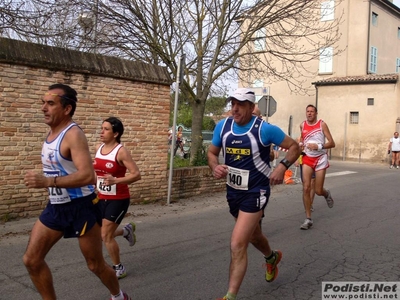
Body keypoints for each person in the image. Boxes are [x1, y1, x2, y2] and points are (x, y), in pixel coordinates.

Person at [23, 84, 131, 300]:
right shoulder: (51, 133)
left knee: (95, 265)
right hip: (56, 207)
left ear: (67, 109)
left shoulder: (73, 134)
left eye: (51, 103)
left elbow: (88, 176)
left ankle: (119, 296)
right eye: (43, 103)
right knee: (31, 260)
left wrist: (47, 181)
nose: (44, 108)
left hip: (82, 207)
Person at [207, 88, 301, 300]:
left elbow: (294, 146)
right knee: (253, 236)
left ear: (251, 107)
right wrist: (215, 166)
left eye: (240, 104)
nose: (235, 108)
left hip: (256, 191)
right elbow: (212, 152)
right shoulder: (223, 127)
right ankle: (272, 256)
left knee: (237, 243)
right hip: (233, 192)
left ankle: (229, 296)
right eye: (233, 103)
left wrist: (282, 167)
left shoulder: (265, 129)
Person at [94, 117, 141, 279]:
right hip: (100, 197)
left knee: (105, 235)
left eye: (106, 129)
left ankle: (119, 268)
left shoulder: (121, 151)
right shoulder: (98, 148)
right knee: (100, 233)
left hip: (118, 199)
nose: (102, 132)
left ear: (115, 133)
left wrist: (116, 180)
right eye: (102, 128)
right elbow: (97, 173)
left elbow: (136, 174)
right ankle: (126, 231)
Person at [299, 104, 335, 230]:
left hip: (320, 159)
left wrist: (319, 147)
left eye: (312, 111)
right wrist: (299, 152)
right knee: (306, 188)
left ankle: (326, 194)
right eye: (307, 111)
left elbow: (332, 143)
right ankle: (308, 219)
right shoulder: (302, 125)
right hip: (307, 158)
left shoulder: (322, 124)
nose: (309, 113)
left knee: (318, 190)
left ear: (316, 113)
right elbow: (302, 140)